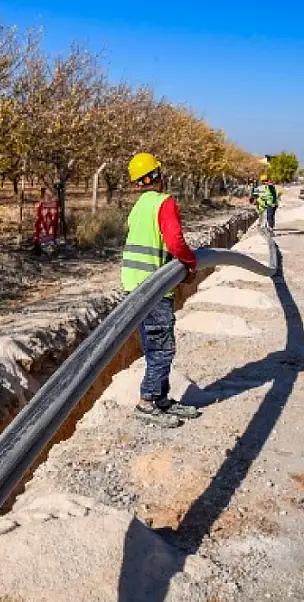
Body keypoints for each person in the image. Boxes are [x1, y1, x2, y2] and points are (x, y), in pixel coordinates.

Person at [122, 152, 201, 428]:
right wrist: (190, 265)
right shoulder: (164, 203)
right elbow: (176, 242)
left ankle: (162, 399)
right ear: (158, 175)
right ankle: (147, 402)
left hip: (133, 285)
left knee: (154, 345)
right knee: (162, 349)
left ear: (137, 183)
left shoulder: (138, 207)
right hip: (153, 288)